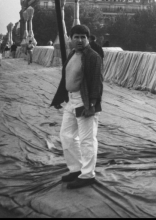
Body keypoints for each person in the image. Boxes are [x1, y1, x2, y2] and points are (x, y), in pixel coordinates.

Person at [50, 24, 104, 189]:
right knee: (66, 135)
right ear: (71, 39)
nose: (80, 40)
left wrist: (92, 105)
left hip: (85, 101)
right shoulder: (73, 54)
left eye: (83, 37)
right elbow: (66, 78)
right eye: (76, 37)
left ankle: (88, 175)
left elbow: (97, 82)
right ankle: (77, 169)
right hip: (71, 100)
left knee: (87, 140)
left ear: (88, 39)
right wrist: (60, 97)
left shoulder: (93, 57)